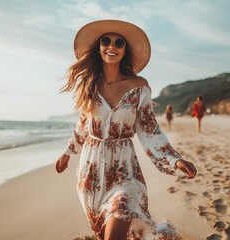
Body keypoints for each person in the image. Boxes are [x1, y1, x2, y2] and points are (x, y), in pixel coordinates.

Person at [55, 20, 197, 240]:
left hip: (125, 169)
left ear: (124, 50)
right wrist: (67, 153)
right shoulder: (89, 84)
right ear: (99, 47)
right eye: (106, 41)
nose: (112, 46)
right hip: (91, 172)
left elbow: (150, 129)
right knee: (103, 233)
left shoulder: (139, 86)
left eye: (118, 42)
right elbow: (83, 125)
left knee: (120, 215)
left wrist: (174, 160)